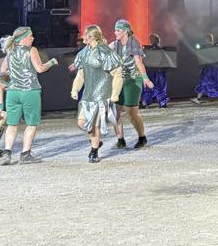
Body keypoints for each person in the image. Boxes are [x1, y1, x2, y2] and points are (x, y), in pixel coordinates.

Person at [0, 26, 58, 165]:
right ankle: (25, 155)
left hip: (13, 92)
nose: (33, 38)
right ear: (22, 38)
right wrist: (51, 62)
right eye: (30, 36)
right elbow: (40, 69)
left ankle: (7, 154)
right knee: (31, 124)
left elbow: (2, 71)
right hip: (30, 91)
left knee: (12, 124)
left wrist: (14, 75)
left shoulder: (10, 51)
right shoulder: (31, 50)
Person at [71, 25, 123, 163]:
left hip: (102, 94)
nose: (83, 37)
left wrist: (115, 93)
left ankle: (93, 151)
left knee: (94, 124)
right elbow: (81, 74)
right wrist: (75, 89)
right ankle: (96, 142)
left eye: (85, 35)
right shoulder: (83, 53)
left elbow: (117, 73)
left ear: (92, 37)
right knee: (82, 122)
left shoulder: (105, 52)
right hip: (88, 94)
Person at [113, 19, 154, 149]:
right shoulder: (115, 44)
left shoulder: (134, 42)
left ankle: (142, 137)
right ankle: (120, 140)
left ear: (125, 31)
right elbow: (102, 51)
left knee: (131, 112)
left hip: (133, 80)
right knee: (115, 111)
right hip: (120, 80)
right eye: (115, 30)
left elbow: (138, 62)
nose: (115, 32)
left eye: (118, 30)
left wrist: (145, 79)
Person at [192, 33, 218, 104]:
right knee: (204, 82)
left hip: (216, 68)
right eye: (207, 39)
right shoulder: (204, 48)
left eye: (209, 39)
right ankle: (198, 98)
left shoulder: (216, 46)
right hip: (208, 68)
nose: (208, 40)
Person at [140, 33, 170, 108]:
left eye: (153, 39)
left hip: (159, 71)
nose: (151, 41)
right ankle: (146, 102)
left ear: (157, 40)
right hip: (151, 70)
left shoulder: (162, 50)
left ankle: (162, 102)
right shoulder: (148, 50)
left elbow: (166, 61)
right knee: (149, 87)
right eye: (151, 39)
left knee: (160, 87)